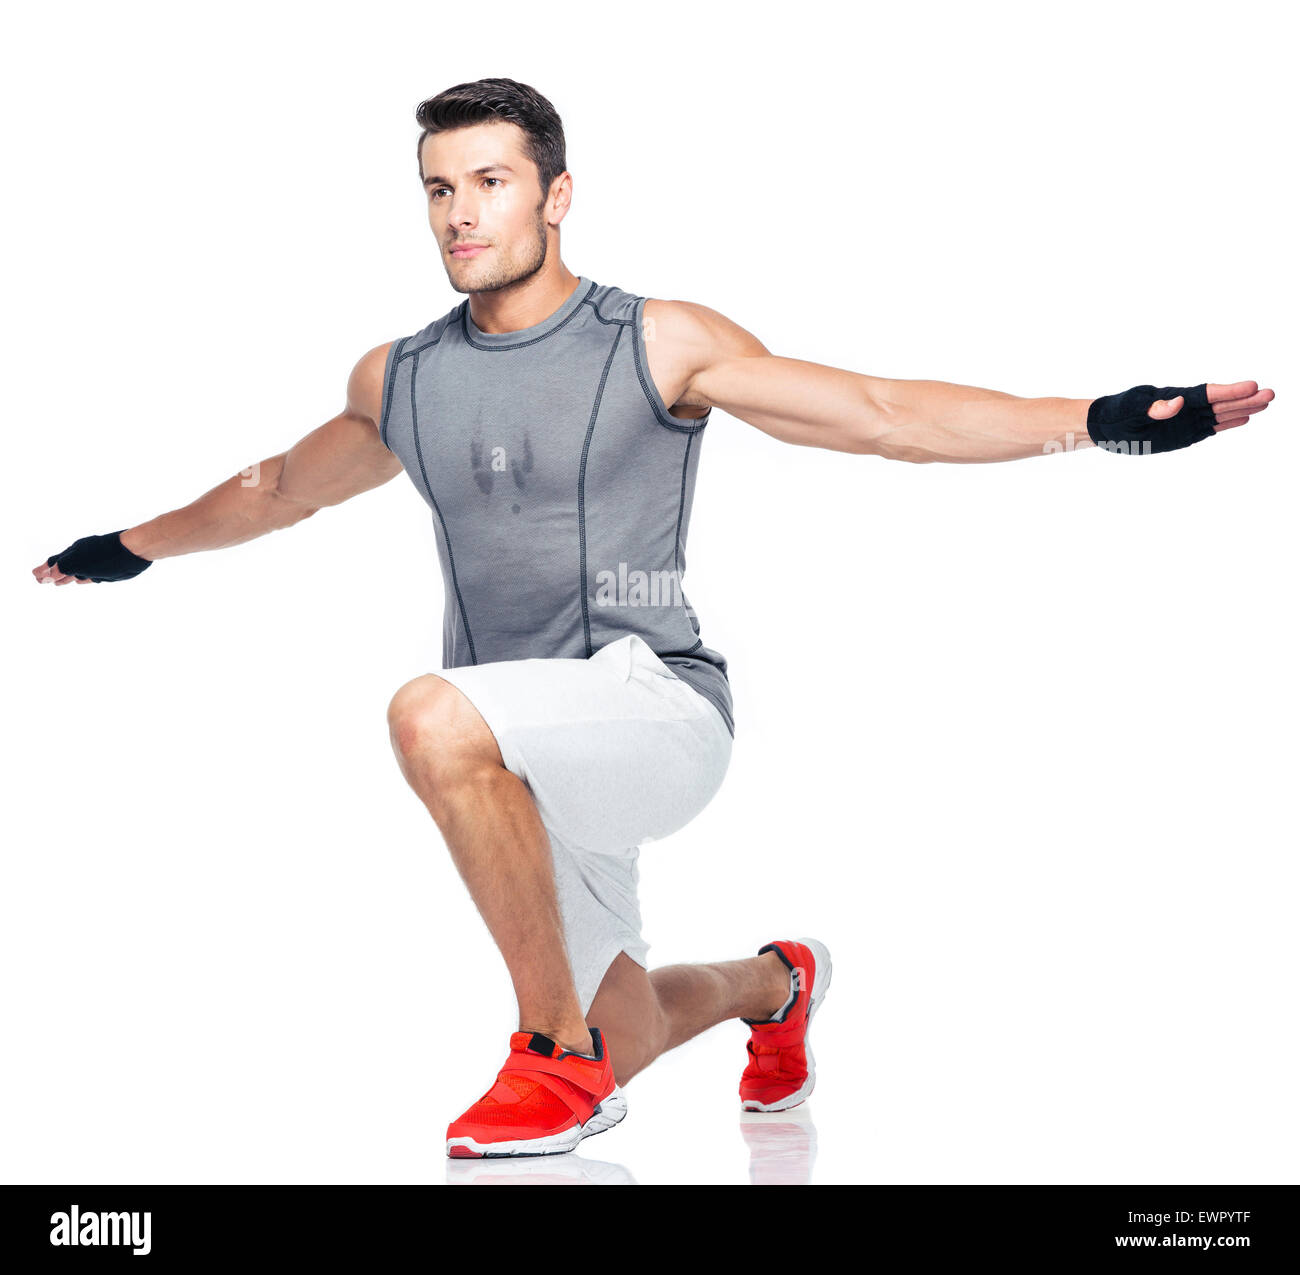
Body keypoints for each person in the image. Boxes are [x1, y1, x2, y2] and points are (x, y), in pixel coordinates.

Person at [34, 77, 1274, 1160]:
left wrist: (1097, 417)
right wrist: (125, 550)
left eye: (490, 181)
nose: (459, 213)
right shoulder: (400, 376)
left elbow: (884, 411)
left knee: (427, 713)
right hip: (522, 756)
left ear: (556, 195)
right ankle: (773, 985)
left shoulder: (656, 340)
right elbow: (273, 489)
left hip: (651, 707)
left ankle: (545, 1052)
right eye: (436, 188)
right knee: (624, 1022)